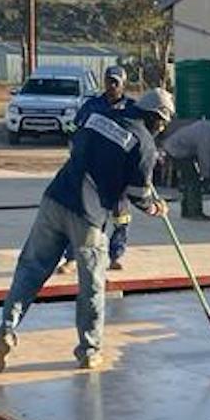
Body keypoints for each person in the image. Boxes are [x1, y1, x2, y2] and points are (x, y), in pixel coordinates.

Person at [0, 88, 173, 374]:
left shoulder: (100, 115)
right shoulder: (144, 143)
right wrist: (155, 207)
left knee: (30, 269)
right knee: (91, 285)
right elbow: (138, 194)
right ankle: (89, 350)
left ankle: (5, 331)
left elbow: (77, 144)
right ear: (158, 120)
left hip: (55, 199)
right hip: (87, 215)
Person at [65, 66, 138, 270]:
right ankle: (72, 257)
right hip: (91, 171)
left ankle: (114, 256)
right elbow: (74, 128)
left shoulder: (132, 109)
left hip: (118, 173)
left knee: (121, 217)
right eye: (108, 81)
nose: (111, 85)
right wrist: (74, 147)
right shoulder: (92, 106)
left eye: (116, 82)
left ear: (123, 84)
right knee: (85, 216)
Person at [161, 116, 210, 220]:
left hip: (178, 148)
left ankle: (187, 211)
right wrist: (206, 177)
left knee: (188, 181)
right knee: (193, 182)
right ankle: (194, 212)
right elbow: (204, 157)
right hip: (177, 151)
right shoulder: (208, 136)